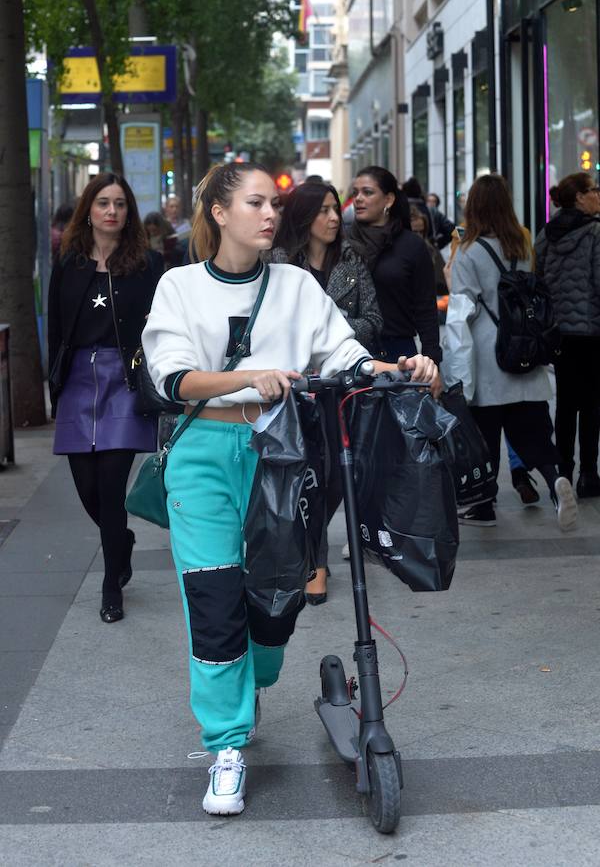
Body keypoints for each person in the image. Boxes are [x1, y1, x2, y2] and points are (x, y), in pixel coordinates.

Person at [142, 162, 438, 817]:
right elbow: (170, 379)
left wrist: (398, 367)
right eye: (254, 203)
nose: (269, 214)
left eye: (272, 205)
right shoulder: (179, 287)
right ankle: (225, 746)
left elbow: (342, 353)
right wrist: (251, 376)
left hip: (279, 455)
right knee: (215, 598)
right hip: (204, 454)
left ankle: (251, 680)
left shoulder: (298, 286)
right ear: (219, 213)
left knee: (275, 610)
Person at [48, 174, 164, 623]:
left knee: (112, 487)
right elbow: (57, 327)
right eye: (103, 203)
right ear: (89, 211)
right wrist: (53, 386)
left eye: (119, 204)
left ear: (128, 212)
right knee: (88, 489)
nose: (111, 211)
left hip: (124, 379)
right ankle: (123, 543)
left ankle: (110, 581)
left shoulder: (148, 263)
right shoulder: (70, 263)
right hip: (78, 380)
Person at [442, 174, 577, 530]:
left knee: (484, 438)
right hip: (526, 352)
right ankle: (555, 481)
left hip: (489, 357)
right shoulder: (522, 244)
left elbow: (460, 314)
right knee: (532, 432)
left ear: (474, 206)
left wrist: (456, 372)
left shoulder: (469, 252)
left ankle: (483, 507)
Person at [270, 180, 383, 605]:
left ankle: (311, 554)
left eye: (337, 209)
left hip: (340, 385)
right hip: (294, 388)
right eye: (324, 211)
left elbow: (374, 318)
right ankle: (313, 560)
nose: (335, 218)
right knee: (306, 474)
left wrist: (336, 335)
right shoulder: (279, 263)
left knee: (336, 476)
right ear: (303, 216)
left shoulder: (352, 259)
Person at [535, 173, 600, 496]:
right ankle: (589, 474)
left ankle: (563, 472)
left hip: (559, 333)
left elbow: (538, 278)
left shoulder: (547, 233)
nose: (597, 195)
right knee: (591, 406)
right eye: (593, 190)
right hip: (591, 332)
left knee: (565, 404)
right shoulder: (595, 232)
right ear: (579, 198)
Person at [348, 166, 443, 383]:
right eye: (356, 193)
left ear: (389, 199)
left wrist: (432, 364)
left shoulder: (411, 246)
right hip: (351, 353)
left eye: (368, 192)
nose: (358, 199)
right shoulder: (343, 243)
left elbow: (426, 311)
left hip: (400, 353)